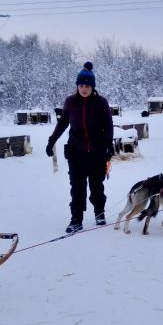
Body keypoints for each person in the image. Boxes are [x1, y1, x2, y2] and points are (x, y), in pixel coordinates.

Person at [46, 62, 114, 234]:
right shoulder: (71, 102)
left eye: (87, 86)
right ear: (77, 86)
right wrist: (51, 140)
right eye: (81, 85)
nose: (84, 89)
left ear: (93, 87)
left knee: (97, 185)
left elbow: (108, 125)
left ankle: (99, 213)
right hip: (76, 152)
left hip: (97, 152)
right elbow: (62, 124)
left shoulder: (101, 102)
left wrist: (108, 146)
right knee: (77, 187)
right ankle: (76, 219)